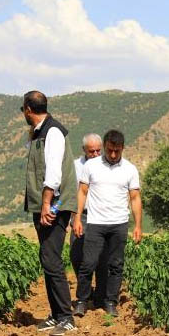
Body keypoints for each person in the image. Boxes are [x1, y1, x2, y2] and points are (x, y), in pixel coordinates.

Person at [21, 91, 78, 336]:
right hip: (47, 204)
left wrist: (46, 204)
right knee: (47, 258)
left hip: (54, 205)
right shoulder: (40, 132)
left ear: (27, 109)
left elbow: (53, 173)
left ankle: (66, 318)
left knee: (52, 258)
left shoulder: (52, 132)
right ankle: (56, 314)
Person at [73, 129, 142, 317]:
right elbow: (82, 192)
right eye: (110, 150)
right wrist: (77, 218)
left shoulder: (130, 169)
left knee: (116, 265)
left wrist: (137, 226)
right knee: (88, 263)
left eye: (117, 151)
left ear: (123, 149)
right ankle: (81, 301)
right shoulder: (91, 166)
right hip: (95, 223)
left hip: (119, 224)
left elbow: (135, 198)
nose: (113, 155)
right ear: (104, 147)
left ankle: (111, 302)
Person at [70, 133, 108, 316]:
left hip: (101, 215)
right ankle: (86, 292)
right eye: (91, 151)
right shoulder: (76, 167)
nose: (95, 154)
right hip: (82, 215)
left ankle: (98, 297)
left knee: (102, 258)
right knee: (77, 256)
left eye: (98, 150)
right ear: (84, 150)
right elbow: (69, 192)